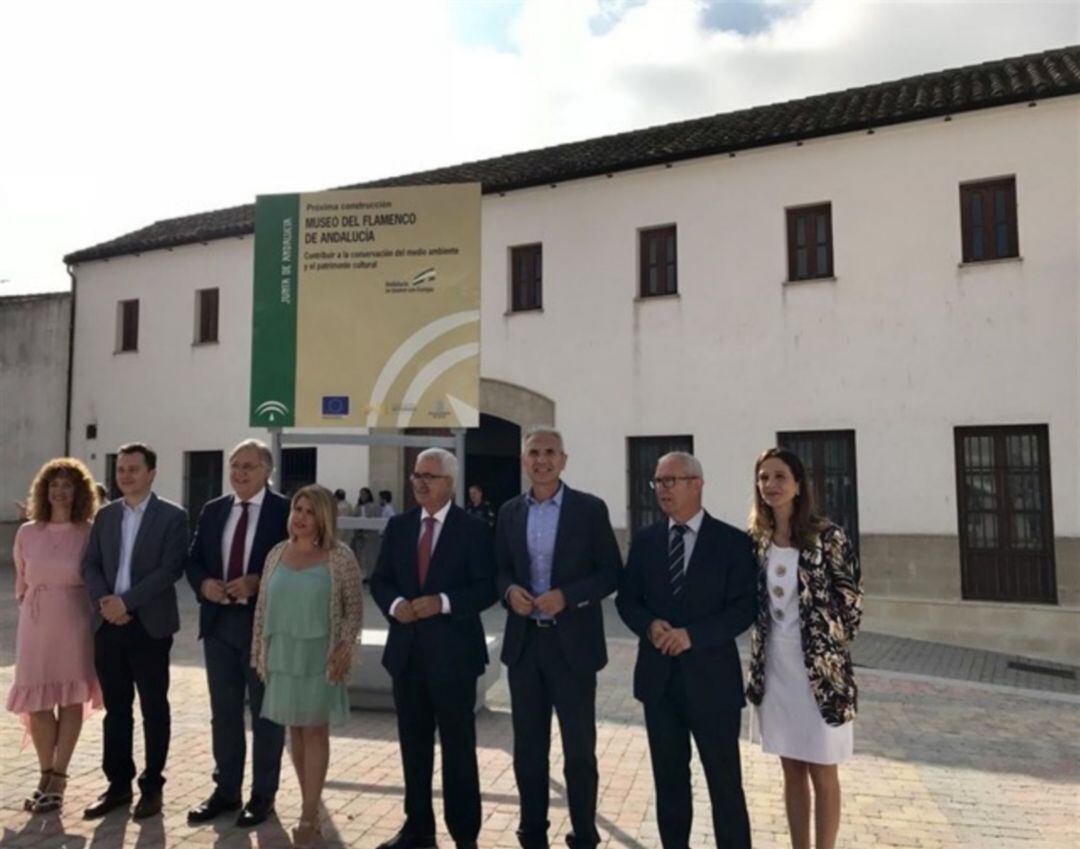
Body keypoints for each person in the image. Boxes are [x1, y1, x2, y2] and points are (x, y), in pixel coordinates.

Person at [615, 451, 756, 849]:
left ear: (697, 484)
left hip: (713, 684)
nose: (663, 490)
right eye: (658, 482)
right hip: (659, 684)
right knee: (670, 785)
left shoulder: (732, 543)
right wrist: (648, 625)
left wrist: (693, 635)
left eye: (671, 481)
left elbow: (743, 609)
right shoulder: (645, 542)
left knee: (725, 785)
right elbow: (627, 600)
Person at [496, 427, 621, 849]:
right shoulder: (510, 511)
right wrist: (509, 591)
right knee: (528, 749)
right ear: (524, 460)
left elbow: (610, 573)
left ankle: (584, 832)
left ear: (564, 460)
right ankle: (532, 831)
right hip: (525, 646)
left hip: (573, 648)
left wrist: (568, 596)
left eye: (550, 452)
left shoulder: (589, 510)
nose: (542, 460)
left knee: (579, 750)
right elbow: (499, 570)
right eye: (534, 452)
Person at [371, 448, 497, 849]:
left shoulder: (473, 529)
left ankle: (465, 835)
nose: (421, 482)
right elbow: (380, 580)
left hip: (455, 658)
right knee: (414, 746)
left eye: (430, 476)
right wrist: (395, 606)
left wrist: (442, 602)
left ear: (450, 483)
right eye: (416, 476)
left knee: (459, 750)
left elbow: (487, 587)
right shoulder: (400, 527)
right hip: (407, 657)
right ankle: (418, 829)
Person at [745, 448, 863, 849]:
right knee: (791, 768)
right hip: (775, 668)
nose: (771, 485)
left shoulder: (828, 536)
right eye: (763, 478)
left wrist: (825, 643)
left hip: (820, 673)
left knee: (823, 771)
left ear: (798, 485)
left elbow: (852, 603)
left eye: (779, 477)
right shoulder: (757, 540)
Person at [252, 484, 363, 849]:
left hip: (321, 655)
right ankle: (310, 807)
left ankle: (307, 817)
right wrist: (261, 654)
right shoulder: (276, 553)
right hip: (284, 655)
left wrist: (345, 647)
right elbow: (262, 610)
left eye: (309, 511)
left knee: (315, 731)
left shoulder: (340, 556)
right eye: (296, 509)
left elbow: (353, 609)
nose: (299, 517)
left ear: (324, 517)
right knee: (296, 732)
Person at [185, 439, 290, 827]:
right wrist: (204, 584)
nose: (239, 473)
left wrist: (258, 582)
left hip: (264, 627)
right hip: (219, 626)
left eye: (248, 466)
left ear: (266, 471)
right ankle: (226, 790)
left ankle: (263, 794)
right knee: (224, 713)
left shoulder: (284, 510)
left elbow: (298, 563)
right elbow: (193, 560)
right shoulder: (214, 510)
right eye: (234, 466)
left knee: (266, 714)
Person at [82, 443, 187, 820]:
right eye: (121, 469)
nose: (125, 475)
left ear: (152, 473)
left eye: (133, 469)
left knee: (154, 708)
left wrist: (126, 602)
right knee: (116, 709)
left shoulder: (173, 517)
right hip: (107, 625)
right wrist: (106, 603)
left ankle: (152, 786)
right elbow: (90, 565)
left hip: (150, 626)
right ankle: (118, 785)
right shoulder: (105, 517)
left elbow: (170, 569)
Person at [6, 458, 102, 814]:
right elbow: (21, 579)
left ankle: (59, 778)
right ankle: (45, 771)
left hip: (74, 619)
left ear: (79, 492)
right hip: (36, 621)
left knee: (71, 698)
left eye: (67, 485)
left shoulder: (89, 531)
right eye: (53, 484)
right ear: (44, 490)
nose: (59, 491)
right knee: (38, 700)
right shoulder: (27, 532)